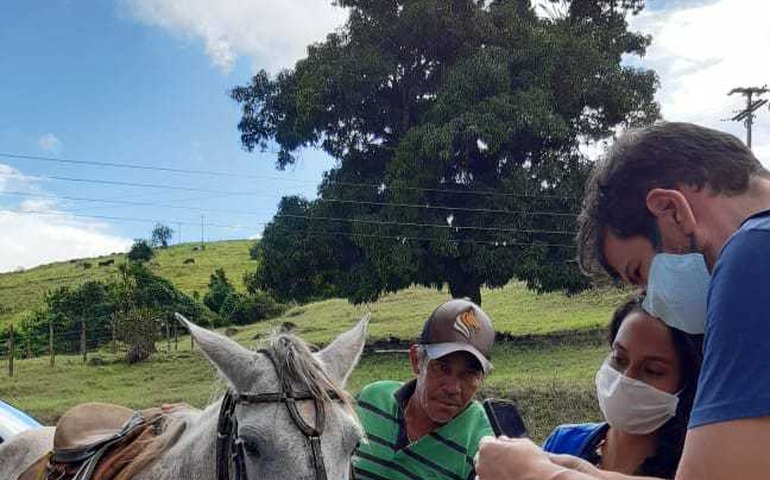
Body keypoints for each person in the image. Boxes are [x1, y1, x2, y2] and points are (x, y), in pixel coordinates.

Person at [475, 122, 770, 480]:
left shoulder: (755, 251)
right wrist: (587, 472)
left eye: (642, 273)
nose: (655, 305)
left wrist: (536, 476)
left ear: (671, 209)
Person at [543, 295, 702, 478]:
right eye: (619, 359)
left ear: (687, 384)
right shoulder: (564, 443)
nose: (626, 379)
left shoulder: (693, 470)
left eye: (652, 370)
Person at [352, 298, 495, 480]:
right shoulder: (370, 400)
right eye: (442, 368)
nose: (453, 388)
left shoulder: (481, 445)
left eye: (469, 374)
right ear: (416, 361)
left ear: (481, 379)